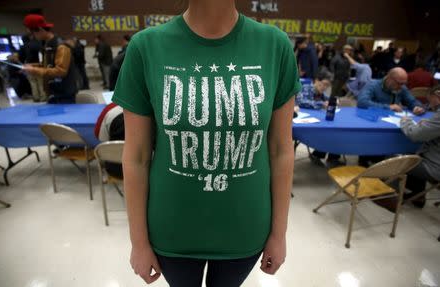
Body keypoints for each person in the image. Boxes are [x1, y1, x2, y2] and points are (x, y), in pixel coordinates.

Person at [112, 0, 301, 285]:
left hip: (245, 228)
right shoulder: (146, 47)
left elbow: (281, 150)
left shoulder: (274, 45)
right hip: (172, 229)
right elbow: (136, 156)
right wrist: (138, 242)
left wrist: (279, 233)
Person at [357, 67, 425, 167]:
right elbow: (362, 102)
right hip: (373, 126)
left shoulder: (401, 87)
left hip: (393, 125)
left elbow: (412, 101)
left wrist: (416, 107)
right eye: (399, 83)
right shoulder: (373, 84)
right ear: (389, 78)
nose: (402, 86)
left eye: (403, 83)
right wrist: (388, 107)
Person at [22, 14, 78, 104]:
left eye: (33, 34)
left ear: (40, 30)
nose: (33, 37)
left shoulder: (61, 47)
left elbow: (61, 71)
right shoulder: (47, 45)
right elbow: (48, 65)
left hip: (64, 94)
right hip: (53, 91)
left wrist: (34, 70)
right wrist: (32, 66)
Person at [400, 85, 440, 208]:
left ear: (437, 95)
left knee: (394, 159)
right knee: (416, 154)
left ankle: (391, 199)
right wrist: (427, 125)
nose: (431, 105)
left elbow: (415, 135)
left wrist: (405, 121)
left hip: (435, 167)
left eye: (430, 100)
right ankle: (418, 196)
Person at [296, 71, 343, 167]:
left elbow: (328, 99)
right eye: (324, 84)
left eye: (327, 86)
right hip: (305, 124)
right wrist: (321, 104)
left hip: (318, 121)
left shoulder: (320, 93)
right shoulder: (305, 88)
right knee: (327, 132)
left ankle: (331, 156)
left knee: (336, 130)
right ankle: (319, 154)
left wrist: (334, 101)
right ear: (316, 81)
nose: (325, 88)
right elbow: (301, 102)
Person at [94, 102, 124, 178]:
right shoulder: (155, 110)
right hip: (148, 169)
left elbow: (100, 137)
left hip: (115, 168)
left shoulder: (110, 109)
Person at [19, 33, 46, 102]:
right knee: (40, 82)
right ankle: (43, 97)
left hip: (28, 65)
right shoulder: (39, 45)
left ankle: (36, 97)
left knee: (33, 83)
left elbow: (20, 58)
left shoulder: (23, 47)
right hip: (39, 65)